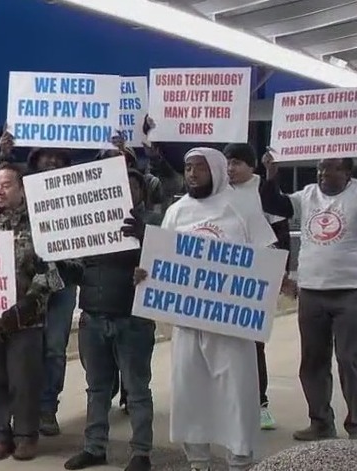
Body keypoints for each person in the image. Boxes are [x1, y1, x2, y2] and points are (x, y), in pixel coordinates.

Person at [135, 147, 277, 471]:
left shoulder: (242, 207)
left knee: (236, 395)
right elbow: (162, 258)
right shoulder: (176, 211)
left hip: (230, 324)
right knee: (190, 393)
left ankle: (240, 460)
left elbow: (266, 255)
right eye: (187, 168)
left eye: (199, 168)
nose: (192, 174)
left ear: (215, 169)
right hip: (188, 323)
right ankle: (198, 462)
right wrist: (146, 274)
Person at [259, 154, 357, 441]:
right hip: (311, 291)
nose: (323, 173)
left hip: (349, 291)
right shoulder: (308, 194)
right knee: (313, 362)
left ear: (348, 172)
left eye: (331, 168)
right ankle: (320, 421)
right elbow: (277, 205)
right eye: (320, 167)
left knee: (349, 360)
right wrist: (270, 176)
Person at [0, 161, 73, 461]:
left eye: (7, 185)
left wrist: (30, 303)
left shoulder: (38, 226)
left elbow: (49, 273)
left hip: (24, 320)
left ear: (22, 191)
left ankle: (26, 436)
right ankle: (0, 436)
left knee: (24, 382)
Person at [64, 168, 160, 471]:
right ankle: (94, 447)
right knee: (97, 388)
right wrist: (56, 258)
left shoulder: (154, 224)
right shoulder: (90, 225)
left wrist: (146, 238)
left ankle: (141, 452)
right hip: (93, 317)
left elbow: (171, 268)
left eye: (131, 187)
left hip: (133, 320)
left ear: (141, 193)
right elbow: (78, 272)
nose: (124, 191)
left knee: (138, 390)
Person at [224, 143, 292, 431]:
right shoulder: (218, 189)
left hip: (255, 279)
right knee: (224, 346)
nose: (230, 168)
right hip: (222, 280)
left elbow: (281, 234)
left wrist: (280, 274)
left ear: (251, 165)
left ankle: (260, 405)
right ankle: (228, 405)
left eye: (237, 162)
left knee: (253, 346)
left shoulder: (263, 189)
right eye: (227, 162)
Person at [18, 146, 81, 437]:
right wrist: (4, 154)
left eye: (59, 156)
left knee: (55, 348)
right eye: (47, 155)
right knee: (25, 348)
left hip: (63, 282)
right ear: (36, 159)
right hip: (28, 284)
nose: (52, 161)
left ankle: (47, 408)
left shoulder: (77, 195)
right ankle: (23, 408)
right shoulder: (21, 192)